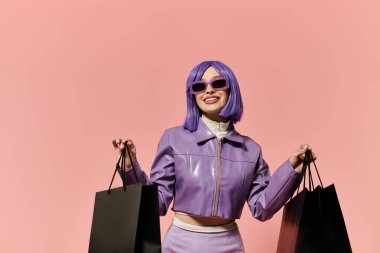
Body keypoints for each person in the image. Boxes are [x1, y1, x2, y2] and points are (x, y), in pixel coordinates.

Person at [112, 60, 316, 253]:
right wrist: (130, 169)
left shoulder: (251, 149)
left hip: (229, 244)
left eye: (218, 83)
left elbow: (262, 208)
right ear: (192, 94)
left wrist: (293, 168)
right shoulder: (173, 138)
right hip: (180, 244)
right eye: (199, 86)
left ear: (231, 89)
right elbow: (156, 204)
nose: (208, 90)